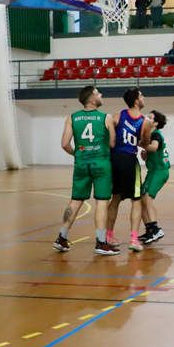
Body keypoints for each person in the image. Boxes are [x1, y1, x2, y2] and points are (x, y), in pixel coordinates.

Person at [53, 86, 118, 255]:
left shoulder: (72, 117)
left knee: (75, 200)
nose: (101, 95)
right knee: (102, 202)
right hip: (101, 164)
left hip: (81, 164)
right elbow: (112, 144)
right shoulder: (106, 117)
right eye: (98, 93)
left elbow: (64, 144)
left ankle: (61, 237)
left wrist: (78, 153)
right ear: (91, 98)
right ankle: (101, 242)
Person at [106, 88, 153, 251]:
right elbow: (145, 144)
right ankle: (134, 239)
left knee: (116, 198)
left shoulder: (117, 115)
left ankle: (108, 236)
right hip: (130, 160)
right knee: (137, 200)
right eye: (142, 95)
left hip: (115, 159)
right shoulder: (145, 121)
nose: (144, 97)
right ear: (136, 100)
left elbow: (109, 136)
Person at [137, 110, 169, 245]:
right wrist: (145, 156)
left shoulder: (155, 134)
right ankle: (150, 230)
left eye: (150, 117)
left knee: (147, 198)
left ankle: (156, 229)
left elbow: (154, 148)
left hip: (159, 171)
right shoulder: (149, 134)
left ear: (155, 123)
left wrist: (138, 143)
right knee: (140, 199)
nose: (146, 118)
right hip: (153, 171)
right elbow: (151, 153)